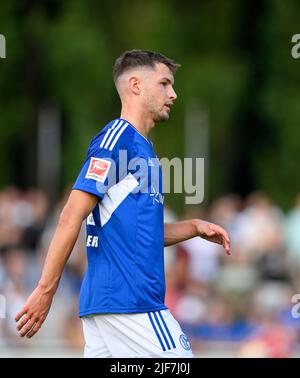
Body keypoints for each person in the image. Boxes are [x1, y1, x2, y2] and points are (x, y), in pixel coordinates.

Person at [15, 50, 231, 358]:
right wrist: (46, 289)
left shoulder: (145, 151)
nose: (173, 93)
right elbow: (70, 215)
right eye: (164, 83)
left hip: (109, 306)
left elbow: (141, 232)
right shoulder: (118, 140)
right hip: (130, 302)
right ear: (135, 85)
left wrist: (194, 227)